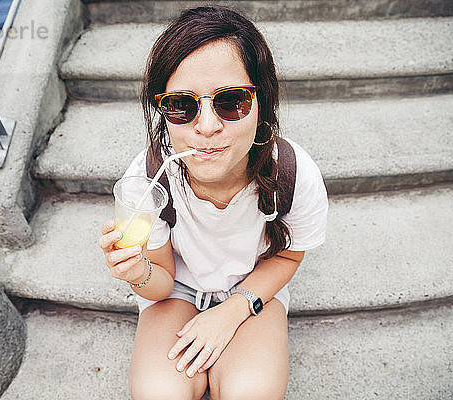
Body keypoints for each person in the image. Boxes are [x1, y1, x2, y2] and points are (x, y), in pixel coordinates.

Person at [99, 6, 328, 400]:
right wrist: (137, 271)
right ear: (163, 110)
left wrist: (234, 310)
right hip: (177, 293)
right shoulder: (149, 180)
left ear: (262, 104)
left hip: (251, 287)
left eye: (231, 101)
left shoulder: (293, 173)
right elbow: (162, 281)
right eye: (182, 105)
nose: (206, 127)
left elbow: (288, 257)